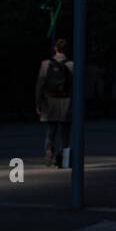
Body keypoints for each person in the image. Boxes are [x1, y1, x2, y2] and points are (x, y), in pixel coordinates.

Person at [35, 39, 73, 167]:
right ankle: (64, 159)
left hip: (49, 101)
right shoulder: (71, 65)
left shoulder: (45, 64)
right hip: (65, 102)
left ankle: (49, 151)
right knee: (65, 134)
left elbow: (40, 85)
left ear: (55, 49)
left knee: (50, 132)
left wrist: (38, 103)